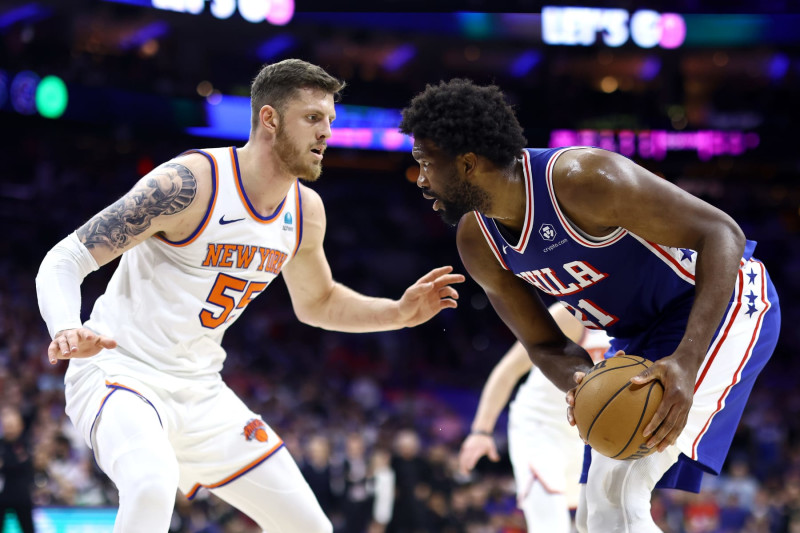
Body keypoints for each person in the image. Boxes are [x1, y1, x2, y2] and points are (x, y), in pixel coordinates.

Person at [34, 59, 465, 533]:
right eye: (313, 119)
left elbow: (318, 303)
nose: (327, 133)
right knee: (151, 484)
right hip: (120, 372)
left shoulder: (304, 211)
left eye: (331, 121)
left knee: (312, 528)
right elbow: (64, 259)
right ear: (270, 119)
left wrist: (399, 313)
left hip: (201, 390)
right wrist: (65, 328)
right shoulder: (190, 183)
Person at [399, 78, 780, 532]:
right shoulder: (477, 240)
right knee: (596, 513)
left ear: (466, 163)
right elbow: (543, 344)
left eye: (425, 163)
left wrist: (687, 359)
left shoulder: (584, 180)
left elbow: (723, 234)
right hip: (639, 335)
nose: (420, 179)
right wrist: (581, 381)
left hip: (720, 304)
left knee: (622, 495)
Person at [458, 303, 610, 532]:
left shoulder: (647, 321)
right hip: (539, 427)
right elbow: (509, 369)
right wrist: (481, 431)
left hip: (591, 440)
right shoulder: (570, 315)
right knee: (550, 526)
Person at [0, 406, 36, 533]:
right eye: (6, 425)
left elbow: (24, 464)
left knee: (28, 528)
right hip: (2, 496)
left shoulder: (26, 443)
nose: (9, 428)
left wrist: (5, 464)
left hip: (22, 496)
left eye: (12, 424)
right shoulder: (2, 444)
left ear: (20, 425)